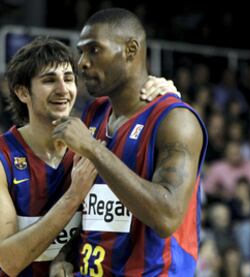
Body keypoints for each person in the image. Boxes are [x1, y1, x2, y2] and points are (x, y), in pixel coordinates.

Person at [0, 37, 177, 276]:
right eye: (49, 80)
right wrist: (73, 196)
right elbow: (10, 260)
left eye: (68, 79)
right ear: (22, 92)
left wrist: (161, 94)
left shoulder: (91, 143)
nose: (63, 89)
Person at [51, 8, 208, 276]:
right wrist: (63, 255)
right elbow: (87, 205)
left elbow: (167, 216)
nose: (82, 62)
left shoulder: (176, 120)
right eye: (82, 51)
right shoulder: (94, 113)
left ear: (130, 50)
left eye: (94, 50)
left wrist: (93, 149)